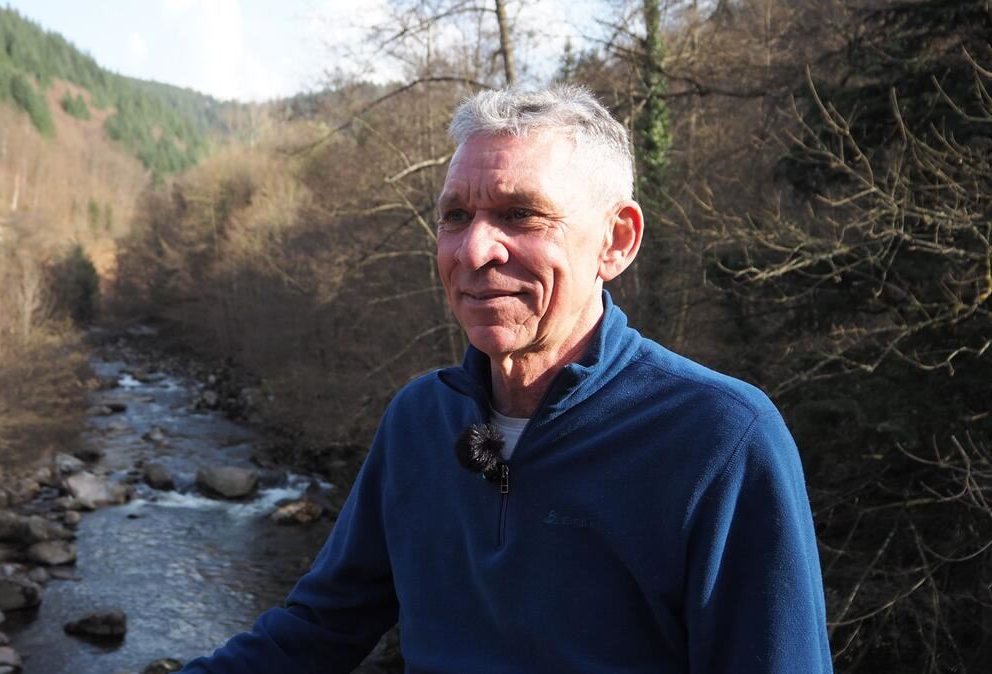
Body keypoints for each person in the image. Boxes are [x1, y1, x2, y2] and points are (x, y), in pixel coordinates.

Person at [180, 85, 833, 673]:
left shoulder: (720, 441)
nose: (473, 250)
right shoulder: (421, 422)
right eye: (455, 216)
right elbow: (317, 631)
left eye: (520, 214)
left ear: (616, 241)